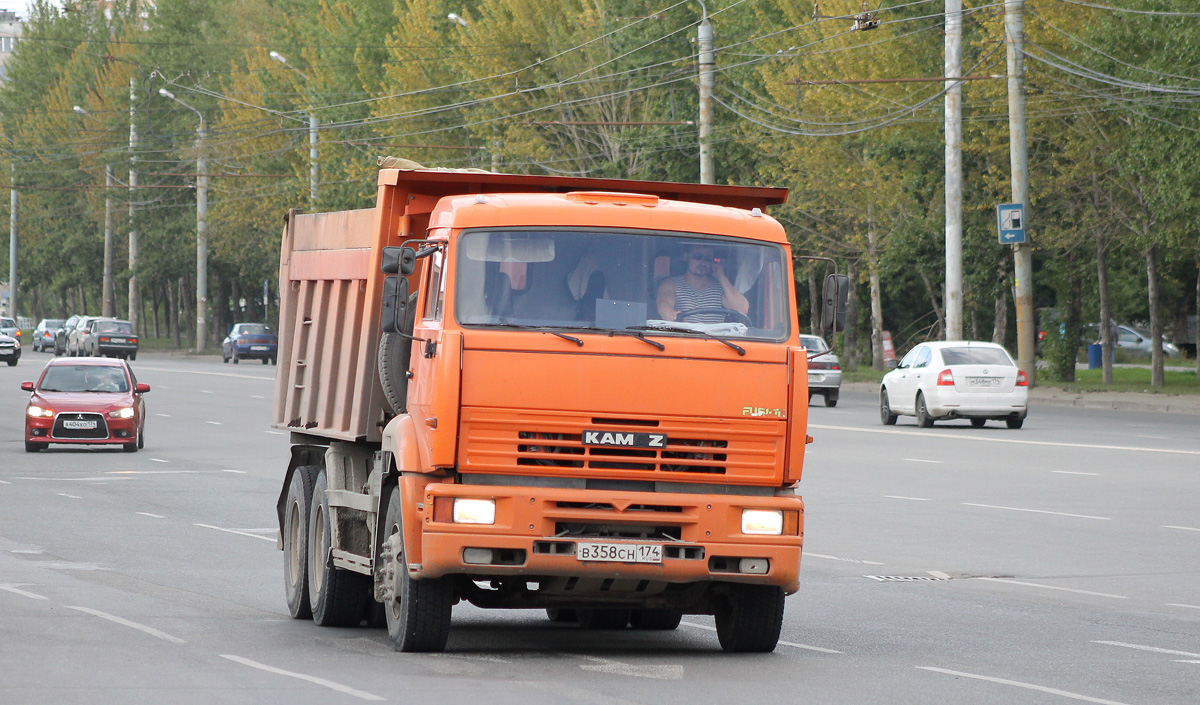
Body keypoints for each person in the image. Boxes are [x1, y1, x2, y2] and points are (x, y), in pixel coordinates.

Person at [656, 244, 749, 323]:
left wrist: (722, 277)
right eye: (697, 257)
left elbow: (742, 310)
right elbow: (664, 304)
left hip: (717, 342)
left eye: (708, 258)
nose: (703, 262)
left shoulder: (721, 288)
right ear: (686, 257)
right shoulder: (671, 284)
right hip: (684, 340)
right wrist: (674, 317)